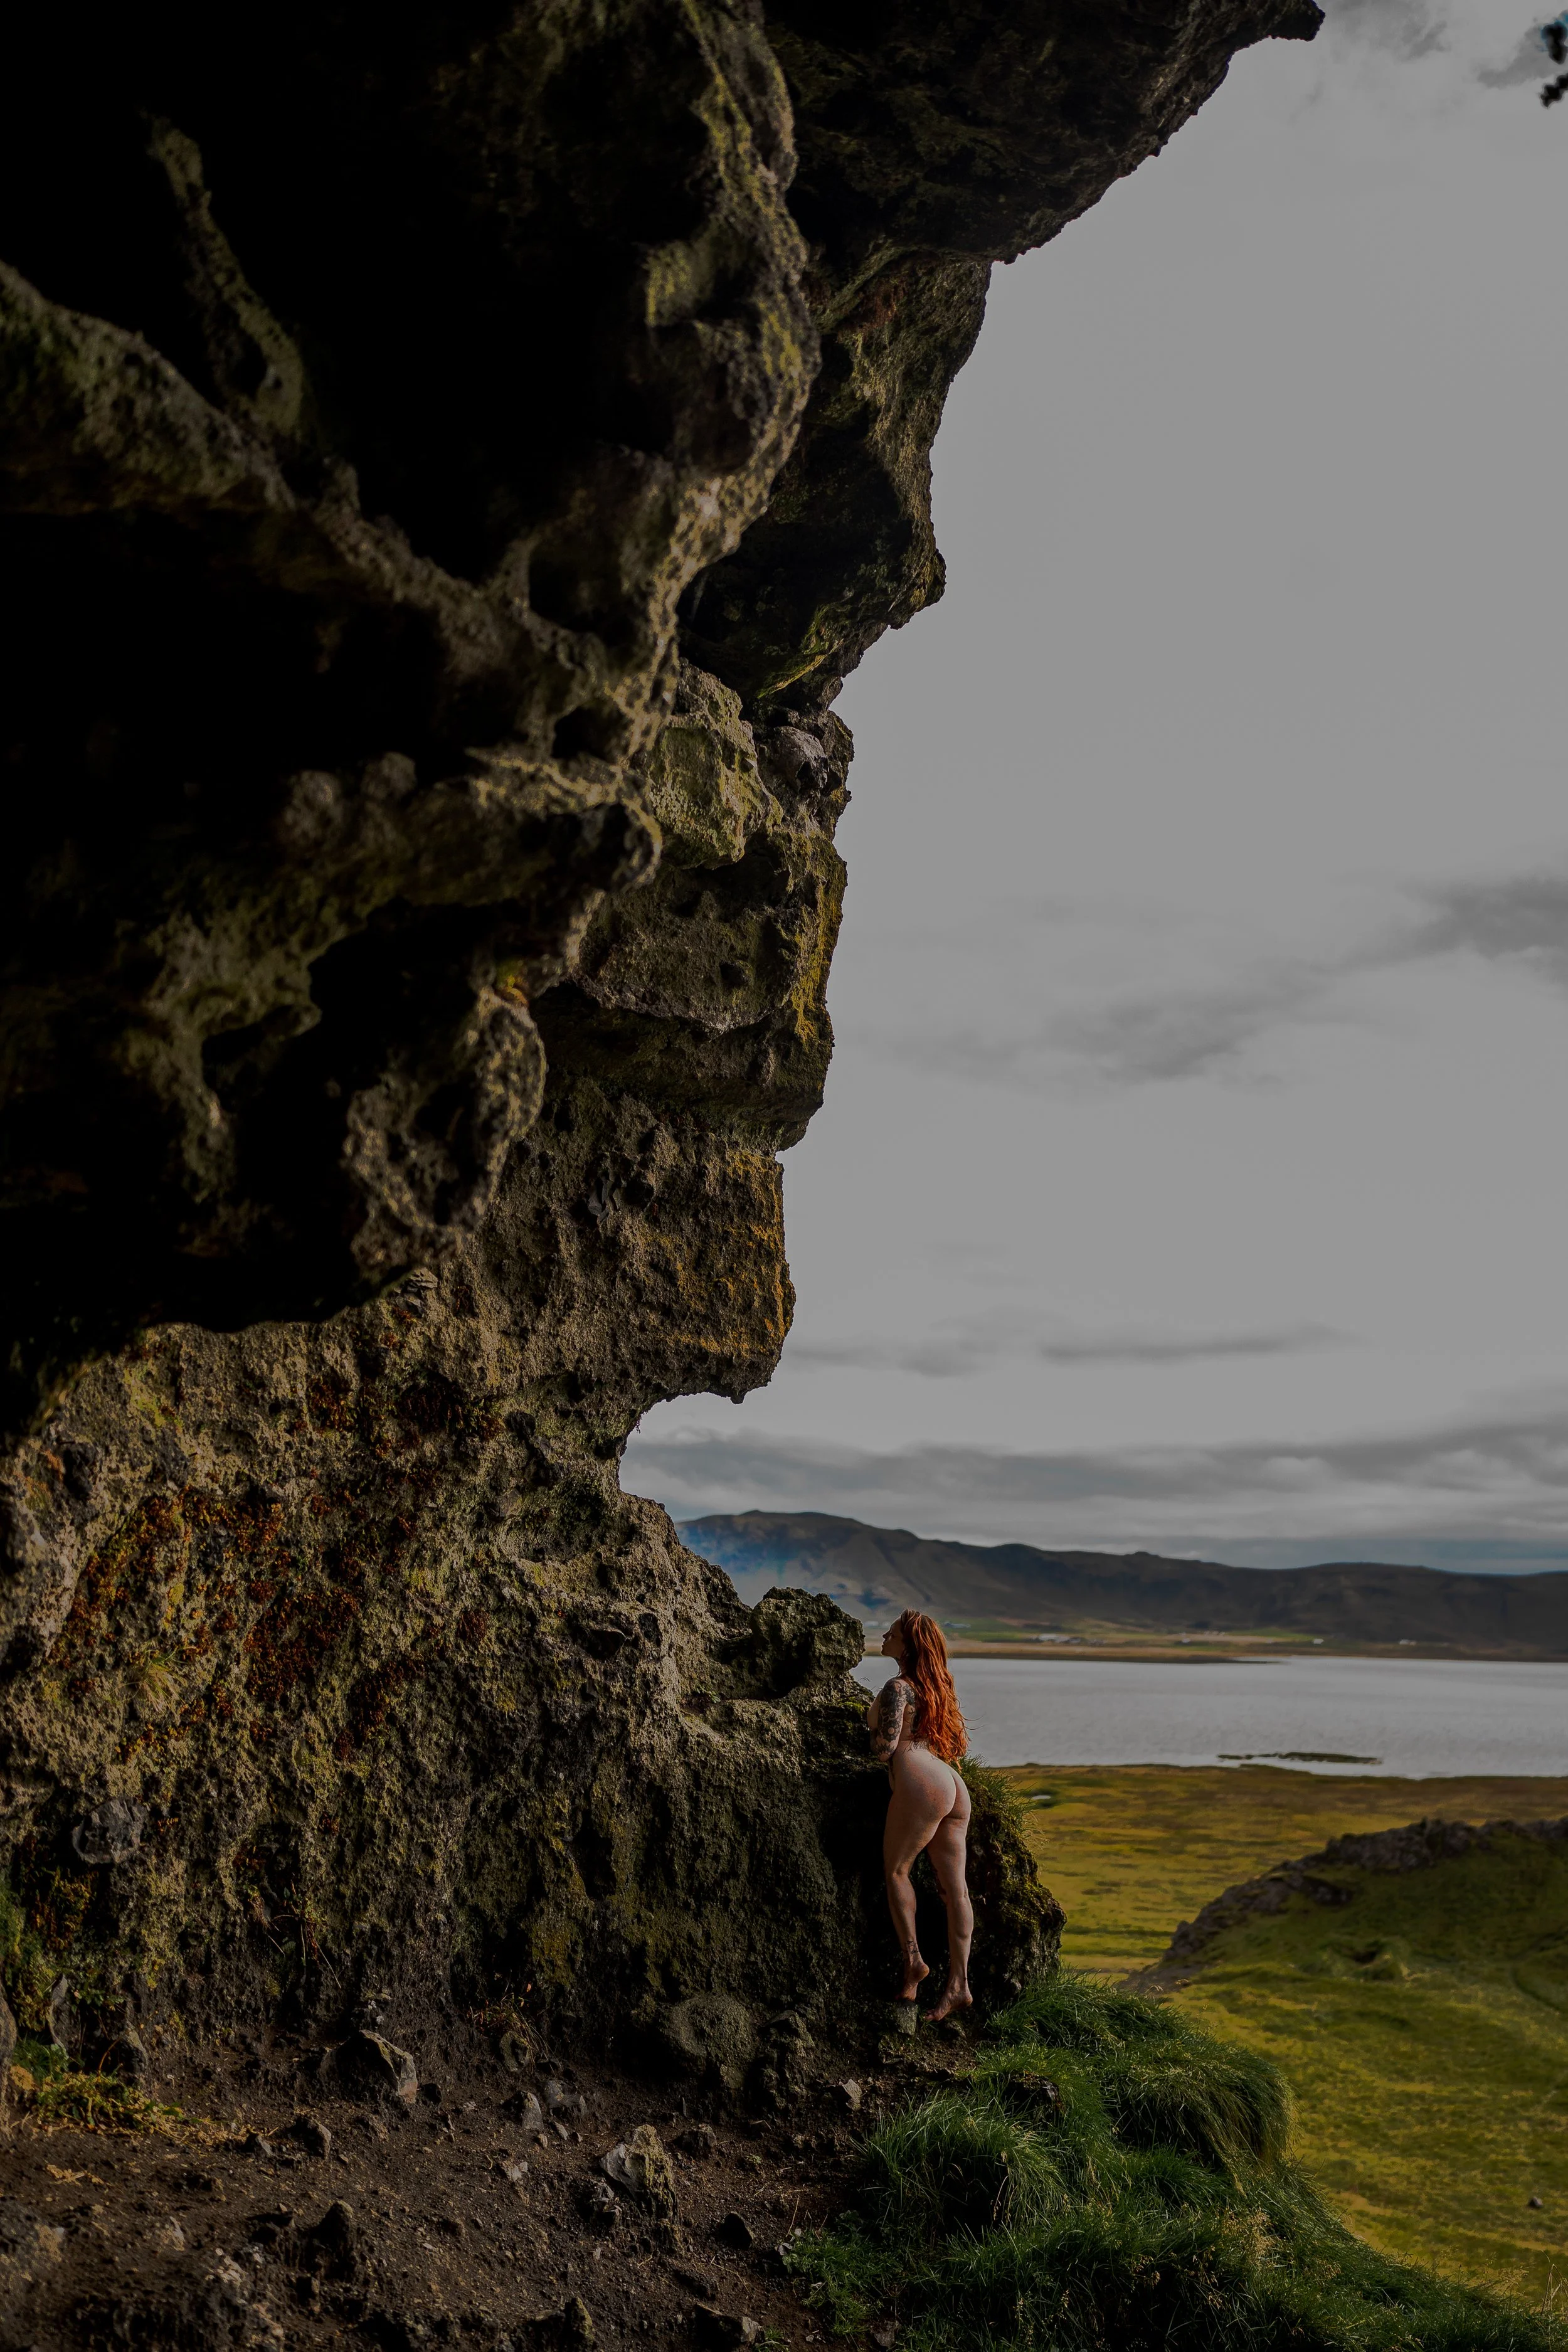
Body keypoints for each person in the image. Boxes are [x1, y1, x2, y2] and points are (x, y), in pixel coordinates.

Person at [865, 1608, 973, 2021]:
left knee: (897, 1872)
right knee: (956, 1890)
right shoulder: (934, 1687)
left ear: (907, 1646)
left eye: (891, 1634)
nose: (884, 1637)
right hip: (949, 1783)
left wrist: (868, 1728)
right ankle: (959, 1986)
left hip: (920, 1781)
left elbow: (884, 1750)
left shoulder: (897, 1688)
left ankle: (913, 1964)